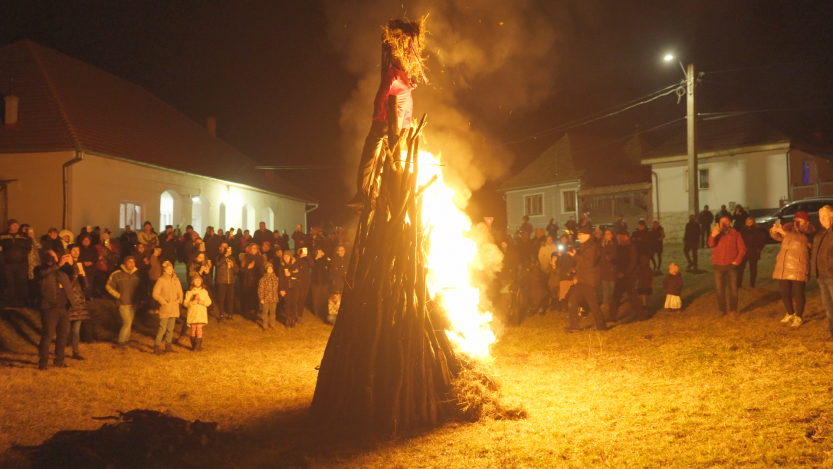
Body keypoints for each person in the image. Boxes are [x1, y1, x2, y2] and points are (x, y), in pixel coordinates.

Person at [347, 17, 427, 207]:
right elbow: (390, 95)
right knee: (378, 160)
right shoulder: (400, 78)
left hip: (387, 126)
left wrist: (377, 118)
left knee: (370, 158)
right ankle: (370, 194)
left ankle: (365, 193)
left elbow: (382, 95)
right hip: (395, 128)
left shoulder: (395, 75)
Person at [770, 211, 815, 328]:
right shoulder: (789, 230)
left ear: (807, 221)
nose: (797, 222)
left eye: (800, 220)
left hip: (798, 265)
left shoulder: (810, 231)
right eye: (796, 219)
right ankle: (790, 313)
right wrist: (774, 231)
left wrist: (784, 232)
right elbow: (779, 237)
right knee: (784, 292)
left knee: (799, 293)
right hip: (784, 266)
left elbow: (802, 239)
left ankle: (799, 317)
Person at [37, 251, 78, 370]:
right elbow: (44, 274)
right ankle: (43, 363)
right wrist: (59, 263)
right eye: (54, 256)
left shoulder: (62, 269)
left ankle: (59, 360)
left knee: (63, 335)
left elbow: (75, 273)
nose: (57, 257)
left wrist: (72, 263)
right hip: (49, 307)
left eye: (57, 255)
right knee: (47, 335)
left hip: (64, 307)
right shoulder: (40, 269)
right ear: (46, 258)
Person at [564, 227, 608, 332]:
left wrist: (576, 256)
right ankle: (573, 326)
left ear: (587, 236)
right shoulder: (585, 247)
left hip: (590, 281)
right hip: (583, 280)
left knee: (593, 304)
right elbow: (582, 262)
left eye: (580, 235)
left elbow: (590, 263)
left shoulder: (593, 247)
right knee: (573, 300)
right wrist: (575, 267)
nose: (578, 237)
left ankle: (601, 326)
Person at [708, 215, 747, 315]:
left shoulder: (736, 234)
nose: (723, 223)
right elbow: (711, 244)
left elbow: (742, 249)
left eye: (725, 221)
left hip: (731, 265)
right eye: (721, 222)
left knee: (733, 289)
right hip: (718, 265)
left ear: (730, 223)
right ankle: (722, 310)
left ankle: (733, 309)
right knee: (719, 290)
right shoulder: (716, 233)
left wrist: (736, 261)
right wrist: (713, 235)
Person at [106, 255, 143, 348]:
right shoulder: (117, 274)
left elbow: (141, 288)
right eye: (129, 262)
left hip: (133, 303)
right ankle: (120, 341)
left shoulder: (137, 274)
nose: (132, 264)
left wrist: (140, 298)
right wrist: (118, 296)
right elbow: (109, 286)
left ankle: (126, 340)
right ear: (124, 264)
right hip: (123, 303)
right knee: (127, 322)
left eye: (133, 262)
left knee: (130, 322)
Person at [608, 230, 641, 323]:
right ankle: (612, 317)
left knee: (632, 296)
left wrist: (625, 273)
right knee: (615, 296)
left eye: (620, 237)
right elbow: (619, 261)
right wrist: (612, 261)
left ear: (626, 237)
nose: (619, 239)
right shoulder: (619, 248)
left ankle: (641, 314)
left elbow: (633, 263)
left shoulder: (632, 247)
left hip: (629, 276)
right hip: (620, 276)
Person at [811, 205, 833, 340]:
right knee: (828, 306)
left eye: (824, 216)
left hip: (831, 275)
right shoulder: (820, 235)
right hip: (821, 276)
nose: (821, 219)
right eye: (820, 217)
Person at [152, 261, 183, 355]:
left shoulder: (176, 280)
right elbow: (155, 294)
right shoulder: (161, 280)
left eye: (171, 268)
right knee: (162, 329)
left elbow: (180, 292)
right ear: (164, 270)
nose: (170, 270)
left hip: (174, 308)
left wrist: (179, 299)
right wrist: (163, 302)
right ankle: (156, 347)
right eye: (168, 269)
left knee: (170, 329)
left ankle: (168, 346)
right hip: (165, 308)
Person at [1, 219, 33, 307]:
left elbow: (29, 247)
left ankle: (22, 303)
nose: (16, 226)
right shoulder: (3, 236)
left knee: (22, 283)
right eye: (13, 225)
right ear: (9, 226)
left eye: (16, 224)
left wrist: (22, 254)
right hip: (8, 265)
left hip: (21, 264)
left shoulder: (23, 236)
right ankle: (12, 303)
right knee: (10, 283)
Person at [65, 249, 90, 360]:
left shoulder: (78, 268)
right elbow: (69, 285)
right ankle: (60, 352)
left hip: (78, 302)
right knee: (65, 330)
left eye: (77, 250)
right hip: (67, 302)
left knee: (76, 330)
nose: (75, 253)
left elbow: (86, 286)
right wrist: (75, 272)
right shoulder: (64, 269)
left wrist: (83, 275)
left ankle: (75, 351)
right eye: (73, 251)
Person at [184, 275, 211, 352]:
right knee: (193, 330)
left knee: (199, 330)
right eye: (195, 280)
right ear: (192, 282)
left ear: (201, 282)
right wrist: (192, 303)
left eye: (199, 280)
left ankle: (197, 346)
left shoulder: (204, 292)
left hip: (200, 314)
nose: (197, 282)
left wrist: (201, 302)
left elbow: (209, 302)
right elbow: (185, 303)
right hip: (193, 314)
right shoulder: (189, 292)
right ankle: (194, 346)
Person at [738, 217, 767, 288]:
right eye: (748, 222)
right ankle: (738, 284)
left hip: (753, 252)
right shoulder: (742, 230)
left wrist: (758, 249)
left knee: (753, 269)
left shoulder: (757, 230)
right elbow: (739, 240)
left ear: (753, 223)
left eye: (750, 222)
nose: (749, 224)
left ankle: (752, 284)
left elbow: (762, 240)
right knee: (740, 269)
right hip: (744, 252)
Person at [215, 246, 239, 321]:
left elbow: (236, 271)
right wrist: (225, 256)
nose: (229, 251)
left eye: (230, 250)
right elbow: (218, 264)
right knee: (221, 299)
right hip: (222, 281)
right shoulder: (218, 257)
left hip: (230, 281)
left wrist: (233, 266)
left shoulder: (232, 258)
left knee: (230, 299)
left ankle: (230, 315)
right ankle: (221, 315)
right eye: (227, 250)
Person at [279, 250, 300, 328]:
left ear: (290, 257)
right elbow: (280, 279)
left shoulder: (295, 264)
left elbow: (299, 274)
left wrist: (291, 274)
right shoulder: (281, 266)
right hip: (286, 287)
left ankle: (293, 319)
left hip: (295, 287)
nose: (286, 258)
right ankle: (287, 320)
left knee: (293, 304)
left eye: (287, 256)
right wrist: (281, 289)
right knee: (288, 304)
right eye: (284, 256)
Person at [599, 229, 617, 312]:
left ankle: (615, 301)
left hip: (611, 267)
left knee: (613, 286)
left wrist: (612, 263)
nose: (607, 235)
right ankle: (605, 301)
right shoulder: (603, 244)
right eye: (605, 234)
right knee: (605, 286)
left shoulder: (614, 244)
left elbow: (616, 256)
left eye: (608, 234)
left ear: (612, 235)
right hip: (604, 267)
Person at [295, 246, 314, 322]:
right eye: (300, 250)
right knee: (295, 299)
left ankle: (300, 316)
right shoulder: (295, 257)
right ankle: (293, 315)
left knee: (302, 300)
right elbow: (294, 264)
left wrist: (307, 256)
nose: (302, 252)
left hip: (305, 282)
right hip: (297, 281)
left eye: (303, 250)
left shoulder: (307, 258)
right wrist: (299, 257)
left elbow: (312, 265)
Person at [311, 248, 331, 320]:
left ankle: (323, 312)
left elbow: (328, 267)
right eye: (317, 252)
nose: (319, 253)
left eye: (321, 251)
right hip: (316, 282)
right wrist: (316, 258)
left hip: (324, 282)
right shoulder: (313, 260)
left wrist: (325, 256)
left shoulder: (324, 259)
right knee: (316, 298)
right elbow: (313, 267)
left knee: (324, 297)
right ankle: (317, 312)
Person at [258, 263, 280, 330]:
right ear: (266, 270)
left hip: (274, 298)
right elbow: (260, 289)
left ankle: (272, 323)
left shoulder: (276, 278)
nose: (270, 269)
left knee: (273, 312)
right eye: (268, 268)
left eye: (271, 268)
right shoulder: (263, 279)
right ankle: (265, 324)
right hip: (266, 299)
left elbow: (278, 288)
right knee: (265, 312)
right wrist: (261, 298)